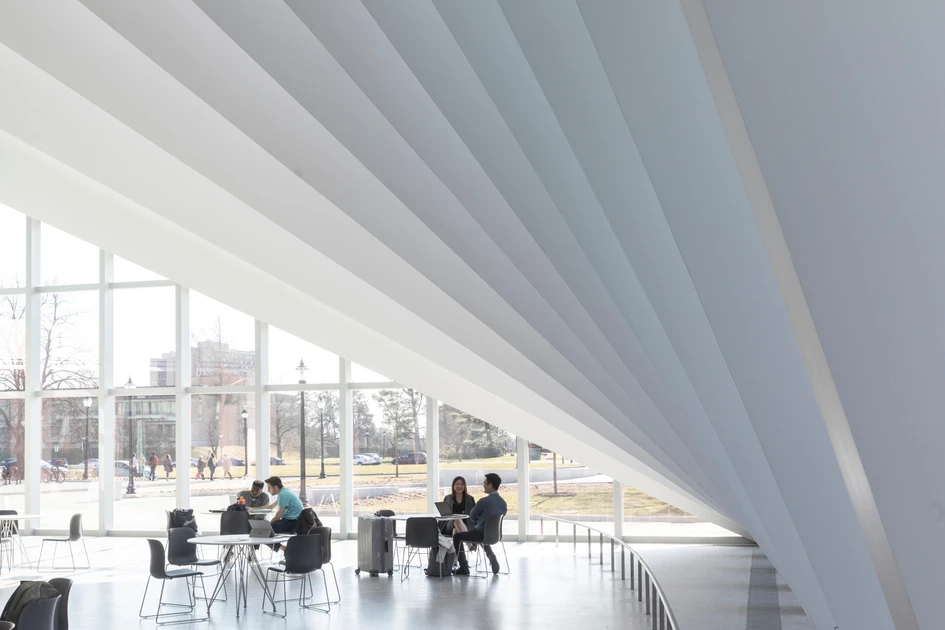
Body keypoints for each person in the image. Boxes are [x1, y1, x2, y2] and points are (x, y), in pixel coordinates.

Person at [452, 472, 507, 575]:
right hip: (495, 536)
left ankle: (463, 567)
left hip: (480, 535)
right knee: (480, 533)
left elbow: (472, 517)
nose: (483, 485)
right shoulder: (503, 503)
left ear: (490, 485)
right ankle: (491, 555)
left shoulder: (483, 501)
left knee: (457, 537)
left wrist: (480, 518)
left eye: (485, 483)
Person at [442, 476, 476, 572]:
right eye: (457, 484)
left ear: (465, 486)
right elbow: (444, 515)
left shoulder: (470, 499)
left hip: (466, 526)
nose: (459, 486)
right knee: (457, 519)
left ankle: (455, 559)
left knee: (456, 532)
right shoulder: (447, 498)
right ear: (453, 486)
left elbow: (474, 516)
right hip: (449, 525)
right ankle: (469, 545)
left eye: (461, 484)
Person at [264, 476, 303, 552]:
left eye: (269, 488)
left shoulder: (283, 495)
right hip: (292, 522)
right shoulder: (284, 492)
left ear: (275, 487)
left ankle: (284, 549)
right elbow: (271, 507)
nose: (268, 490)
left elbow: (277, 517)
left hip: (291, 523)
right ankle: (284, 548)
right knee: (263, 531)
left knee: (264, 532)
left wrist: (267, 525)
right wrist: (252, 509)